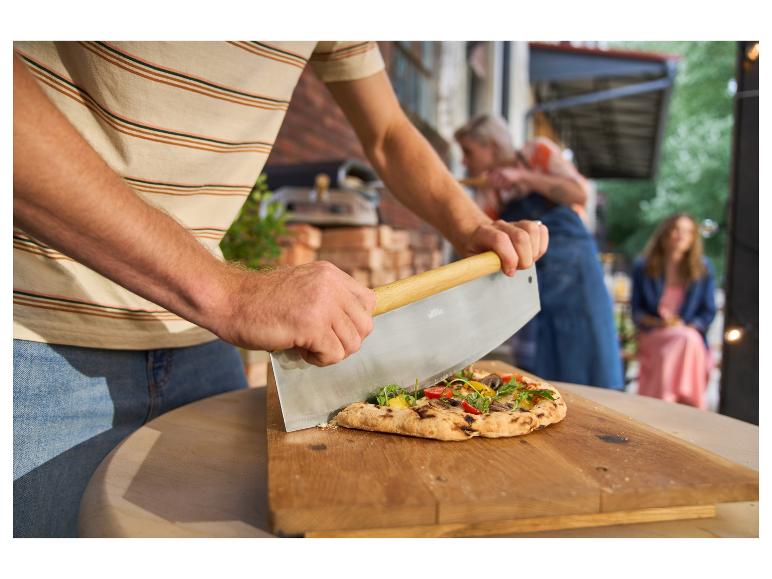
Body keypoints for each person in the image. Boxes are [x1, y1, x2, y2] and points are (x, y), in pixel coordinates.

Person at [13, 42, 548, 537]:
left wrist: (471, 226)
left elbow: (387, 132)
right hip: (31, 345)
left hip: (199, 349)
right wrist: (228, 294)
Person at [454, 114, 623, 390]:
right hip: (531, 273)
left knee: (590, 340)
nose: (464, 161)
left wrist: (523, 177)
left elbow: (579, 194)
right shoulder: (487, 195)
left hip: (573, 264)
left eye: (468, 151)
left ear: (492, 146)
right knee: (544, 353)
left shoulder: (538, 153)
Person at [631, 213, 717, 409]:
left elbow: (708, 313)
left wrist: (684, 326)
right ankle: (687, 402)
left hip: (688, 335)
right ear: (665, 234)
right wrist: (660, 323)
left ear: (694, 237)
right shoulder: (643, 267)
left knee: (686, 338)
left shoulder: (703, 268)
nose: (681, 236)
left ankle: (665, 401)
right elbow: (637, 312)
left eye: (688, 232)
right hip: (654, 334)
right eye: (676, 230)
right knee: (686, 339)